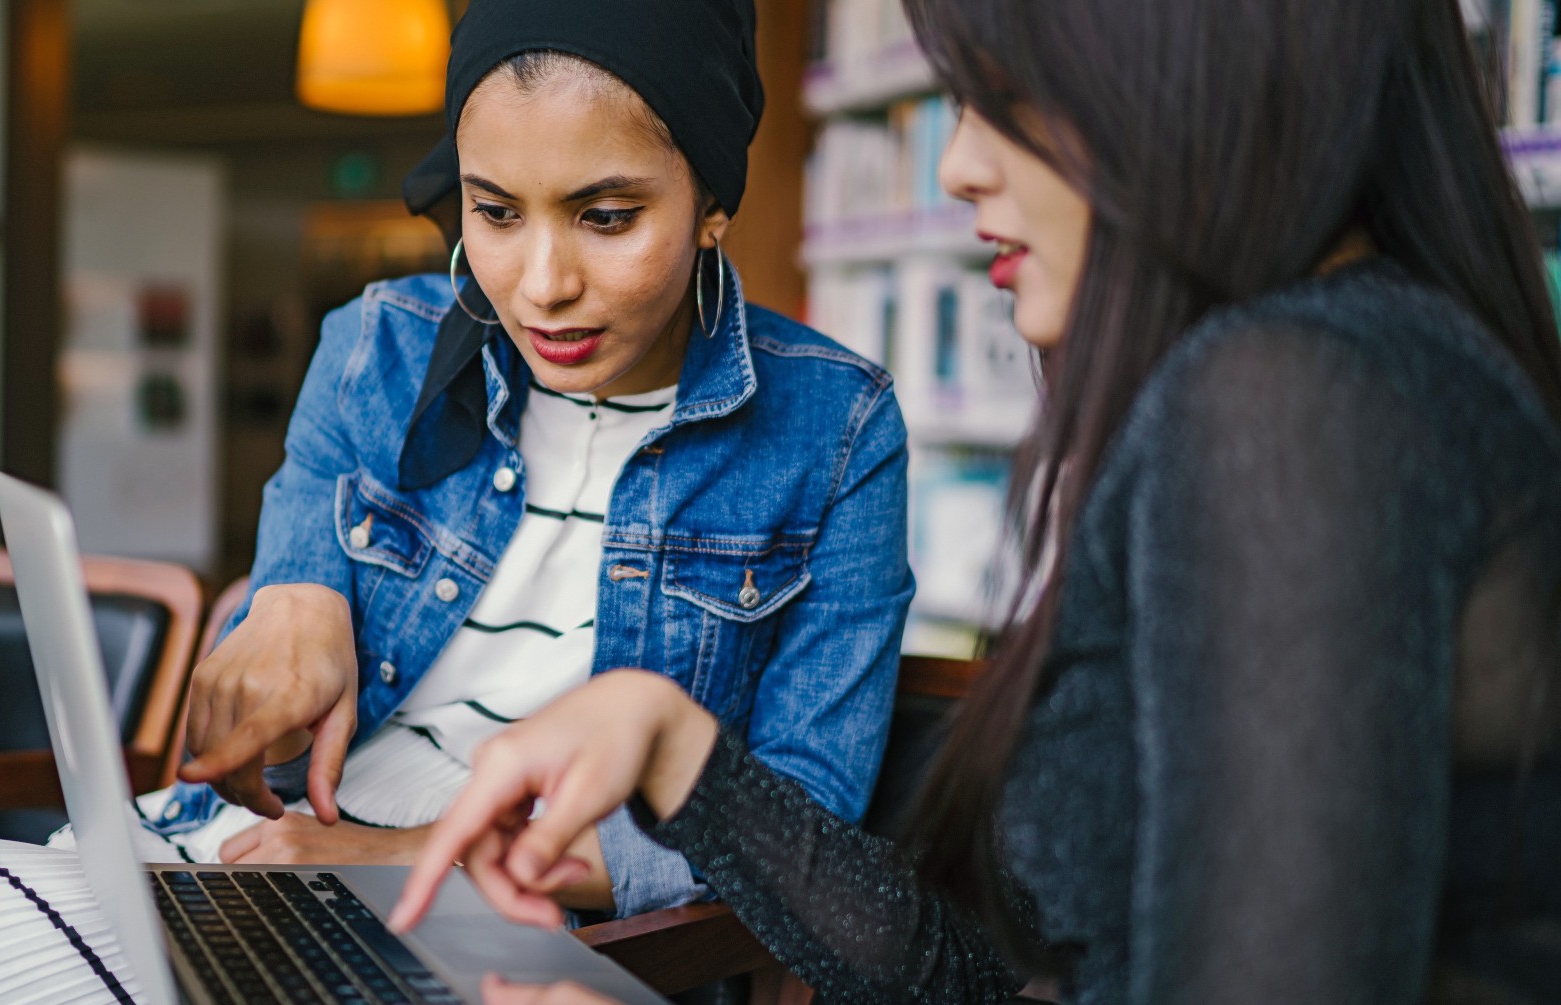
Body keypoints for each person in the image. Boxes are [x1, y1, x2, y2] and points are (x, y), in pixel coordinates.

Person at [0, 1, 917, 1000]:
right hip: (229, 860)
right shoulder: (382, 339)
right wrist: (286, 595)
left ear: (714, 204)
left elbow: (790, 839)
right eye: (491, 211)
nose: (539, 283)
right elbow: (288, 604)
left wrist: (420, 863)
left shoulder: (835, 429)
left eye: (605, 215)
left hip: (493, 937)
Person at [391, 0, 1561, 1002]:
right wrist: (676, 748)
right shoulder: (1347, 371)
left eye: (1005, 94)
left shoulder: (1295, 400)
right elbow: (978, 978)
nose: (958, 166)